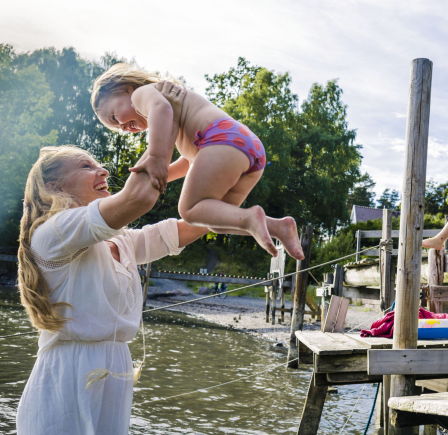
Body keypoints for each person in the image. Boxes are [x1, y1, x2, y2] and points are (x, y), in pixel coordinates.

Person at [16, 145, 209, 434]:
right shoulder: (52, 232)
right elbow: (136, 198)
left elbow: (198, 223)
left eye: (98, 165)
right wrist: (163, 119)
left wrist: (220, 164)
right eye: (86, 166)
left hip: (115, 369)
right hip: (68, 374)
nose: (103, 171)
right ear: (53, 186)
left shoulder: (122, 241)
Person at [90, 64, 304, 260]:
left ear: (125, 89)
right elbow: (188, 161)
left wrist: (156, 157)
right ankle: (278, 227)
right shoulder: (177, 116)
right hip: (245, 148)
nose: (123, 128)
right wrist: (161, 175)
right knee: (215, 220)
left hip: (221, 139)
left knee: (190, 210)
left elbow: (161, 110)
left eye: (115, 118)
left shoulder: (141, 94)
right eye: (118, 129)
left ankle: (251, 218)